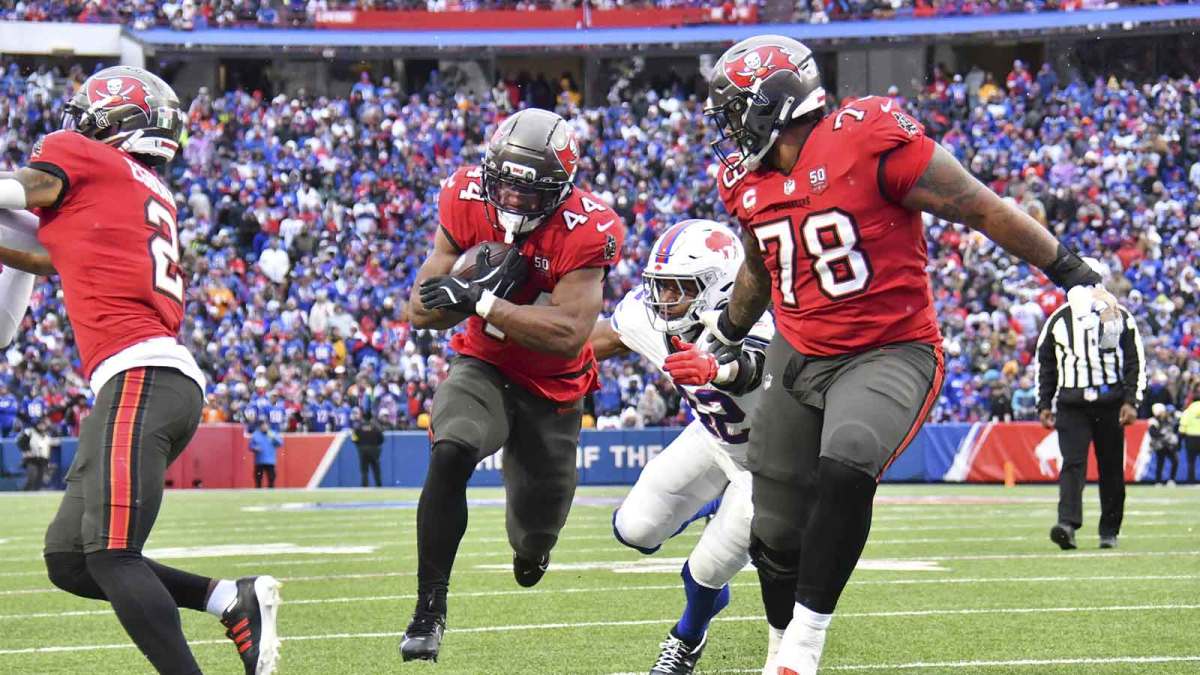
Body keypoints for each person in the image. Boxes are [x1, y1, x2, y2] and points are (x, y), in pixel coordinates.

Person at [701, 35, 1123, 674]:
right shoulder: (746, 181)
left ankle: (804, 650)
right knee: (776, 529)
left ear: (771, 104)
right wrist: (727, 331)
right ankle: (780, 645)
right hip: (799, 351)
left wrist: (1071, 271)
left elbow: (980, 207)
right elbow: (759, 270)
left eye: (735, 110)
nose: (729, 128)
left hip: (887, 348)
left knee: (847, 464)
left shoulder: (867, 136)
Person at [0, 66, 281, 675]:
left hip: (142, 376)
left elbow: (17, 194)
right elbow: (25, 264)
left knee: (112, 554)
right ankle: (226, 597)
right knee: (70, 558)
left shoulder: (78, 156)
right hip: (148, 382)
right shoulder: (135, 192)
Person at [402, 108, 625, 662]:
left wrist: (479, 300)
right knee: (450, 449)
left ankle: (532, 550)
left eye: (532, 194)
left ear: (562, 190)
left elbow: (570, 334)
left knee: (535, 533)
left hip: (553, 390)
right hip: (485, 365)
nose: (516, 202)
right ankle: (429, 608)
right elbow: (419, 310)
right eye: (505, 186)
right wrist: (451, 292)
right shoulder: (463, 195)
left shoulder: (589, 228)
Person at [590, 219, 774, 674]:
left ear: (720, 288)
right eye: (660, 287)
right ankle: (712, 505)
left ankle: (687, 636)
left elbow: (750, 364)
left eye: (679, 289)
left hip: (771, 466)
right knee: (634, 527)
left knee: (708, 568)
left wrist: (715, 367)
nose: (664, 300)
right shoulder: (648, 316)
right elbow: (600, 339)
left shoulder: (765, 326)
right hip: (713, 439)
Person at [1036, 257, 1144, 549]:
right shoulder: (1058, 320)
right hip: (1072, 402)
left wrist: (1131, 400)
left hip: (1110, 401)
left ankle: (1109, 529)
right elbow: (1046, 364)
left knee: (1110, 467)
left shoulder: (1119, 316)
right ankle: (1067, 525)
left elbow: (1135, 361)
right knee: (1072, 464)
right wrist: (1044, 403)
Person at [17, 418, 57, 491]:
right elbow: (20, 441)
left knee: (39, 480)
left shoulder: (47, 434)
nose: (42, 426)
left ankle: (35, 496)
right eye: (40, 424)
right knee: (31, 477)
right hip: (32, 459)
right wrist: (26, 451)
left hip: (43, 459)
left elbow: (50, 446)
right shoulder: (30, 432)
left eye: (43, 424)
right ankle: (24, 494)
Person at [1147, 403, 1179, 485]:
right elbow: (1152, 433)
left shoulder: (1169, 419)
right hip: (1160, 445)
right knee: (1160, 463)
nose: (1165, 412)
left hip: (1169, 445)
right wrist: (1163, 435)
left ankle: (1171, 480)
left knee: (1175, 461)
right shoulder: (1153, 421)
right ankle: (1158, 481)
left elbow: (1175, 426)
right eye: (1163, 411)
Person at [351, 409, 385, 488]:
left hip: (362, 449)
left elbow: (353, 438)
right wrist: (377, 445)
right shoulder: (375, 426)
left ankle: (364, 485)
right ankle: (378, 485)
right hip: (374, 449)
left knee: (364, 469)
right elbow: (381, 438)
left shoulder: (358, 427)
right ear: (371, 417)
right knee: (376, 469)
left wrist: (359, 445)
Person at [249, 419, 280, 489]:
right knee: (258, 478)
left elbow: (279, 443)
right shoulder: (256, 435)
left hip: (270, 461)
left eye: (266, 425)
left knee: (271, 478)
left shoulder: (272, 434)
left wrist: (273, 438)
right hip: (259, 461)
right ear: (260, 427)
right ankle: (258, 492)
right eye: (263, 425)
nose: (265, 427)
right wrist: (255, 448)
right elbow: (250, 446)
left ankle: (271, 492)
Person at [1180, 396, 1200, 484]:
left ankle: (1191, 481)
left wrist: (1180, 439)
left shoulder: (1188, 411)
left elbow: (1183, 426)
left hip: (1191, 438)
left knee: (1191, 461)